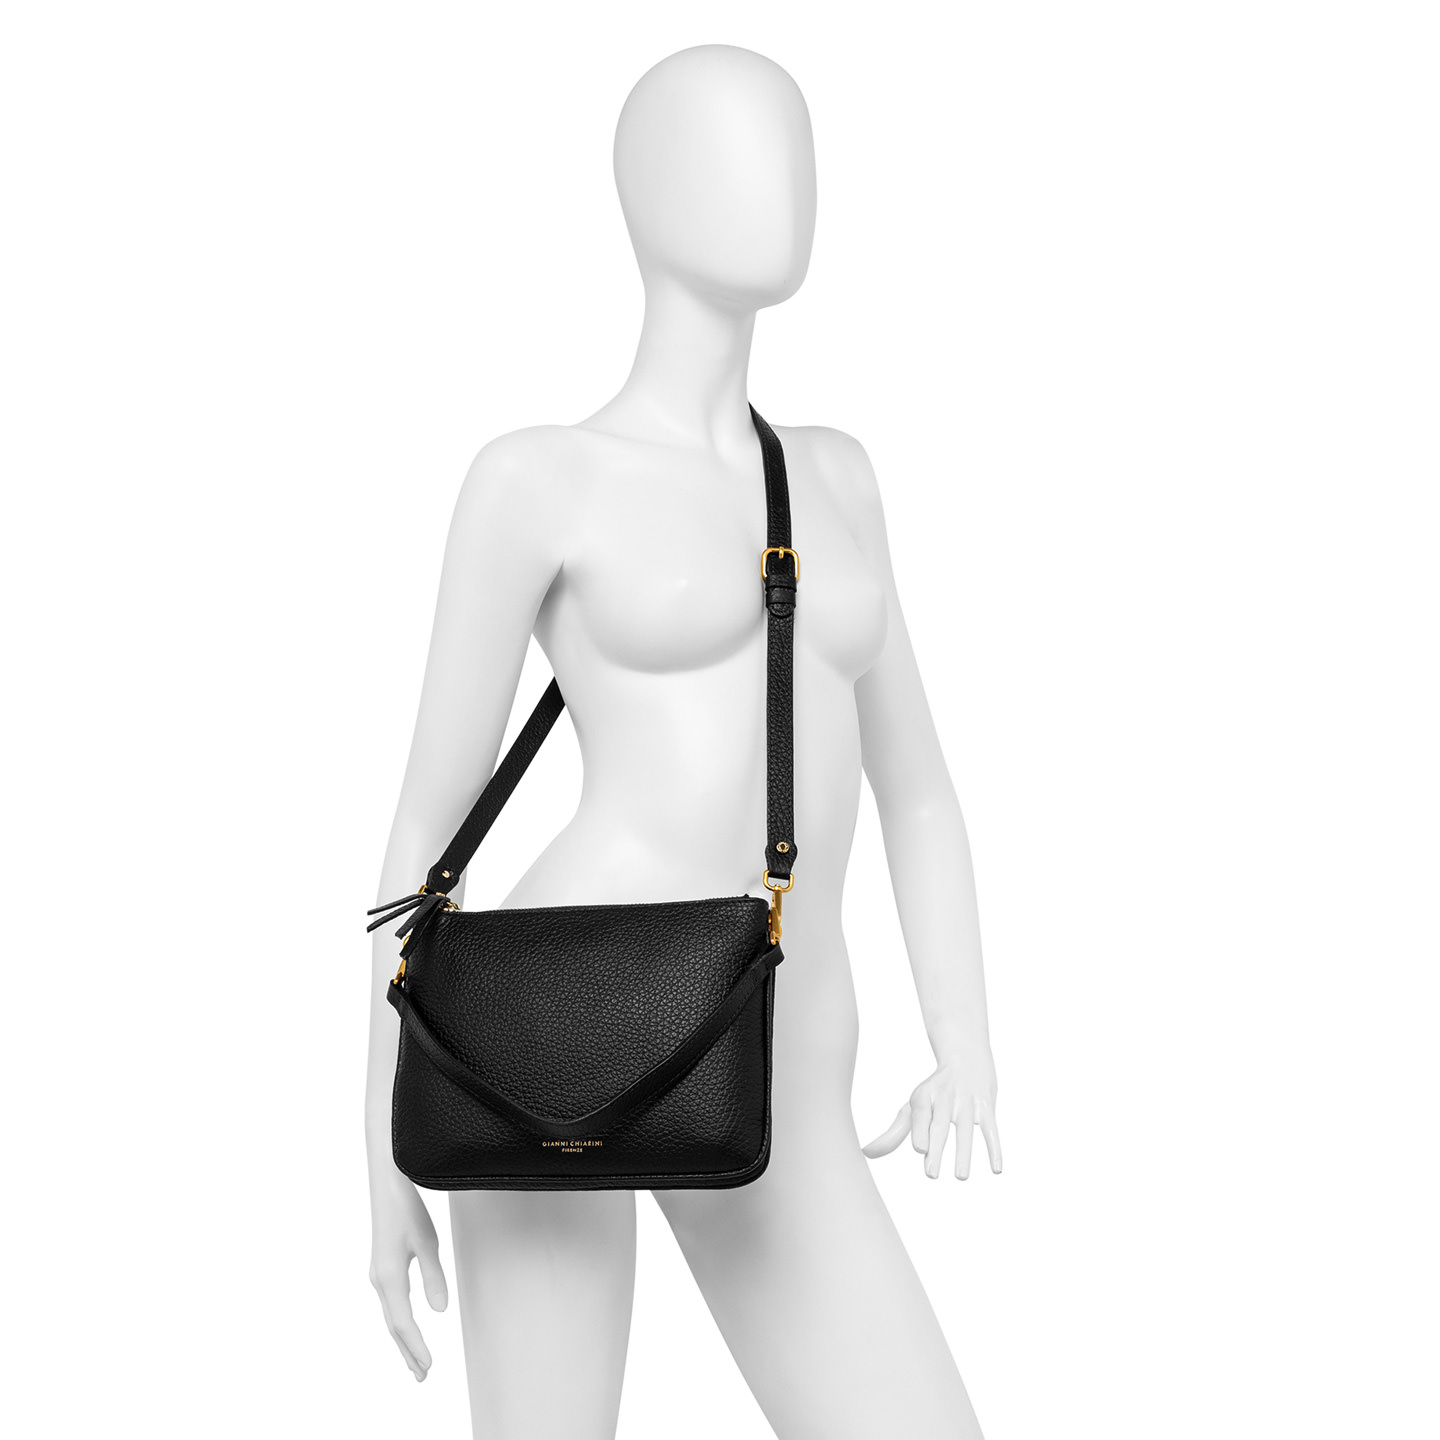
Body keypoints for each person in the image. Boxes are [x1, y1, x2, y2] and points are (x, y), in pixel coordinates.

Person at [364, 43, 1001, 1440]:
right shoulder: (538, 478)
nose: (781, 184)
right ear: (644, 189)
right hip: (546, 1032)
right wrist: (377, 1136)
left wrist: (961, 1029)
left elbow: (921, 793)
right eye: (731, 147)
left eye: (796, 145)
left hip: (784, 1052)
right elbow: (426, 828)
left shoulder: (834, 476)